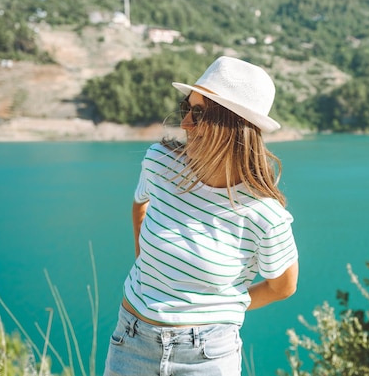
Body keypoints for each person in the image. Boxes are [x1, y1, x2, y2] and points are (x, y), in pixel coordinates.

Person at [103, 56, 299, 376]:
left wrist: (224, 309)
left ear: (232, 127)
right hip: (131, 340)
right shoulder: (160, 162)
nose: (185, 124)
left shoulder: (264, 214)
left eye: (198, 113)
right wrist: (148, 266)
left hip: (208, 357)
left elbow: (283, 286)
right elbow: (141, 205)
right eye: (186, 108)